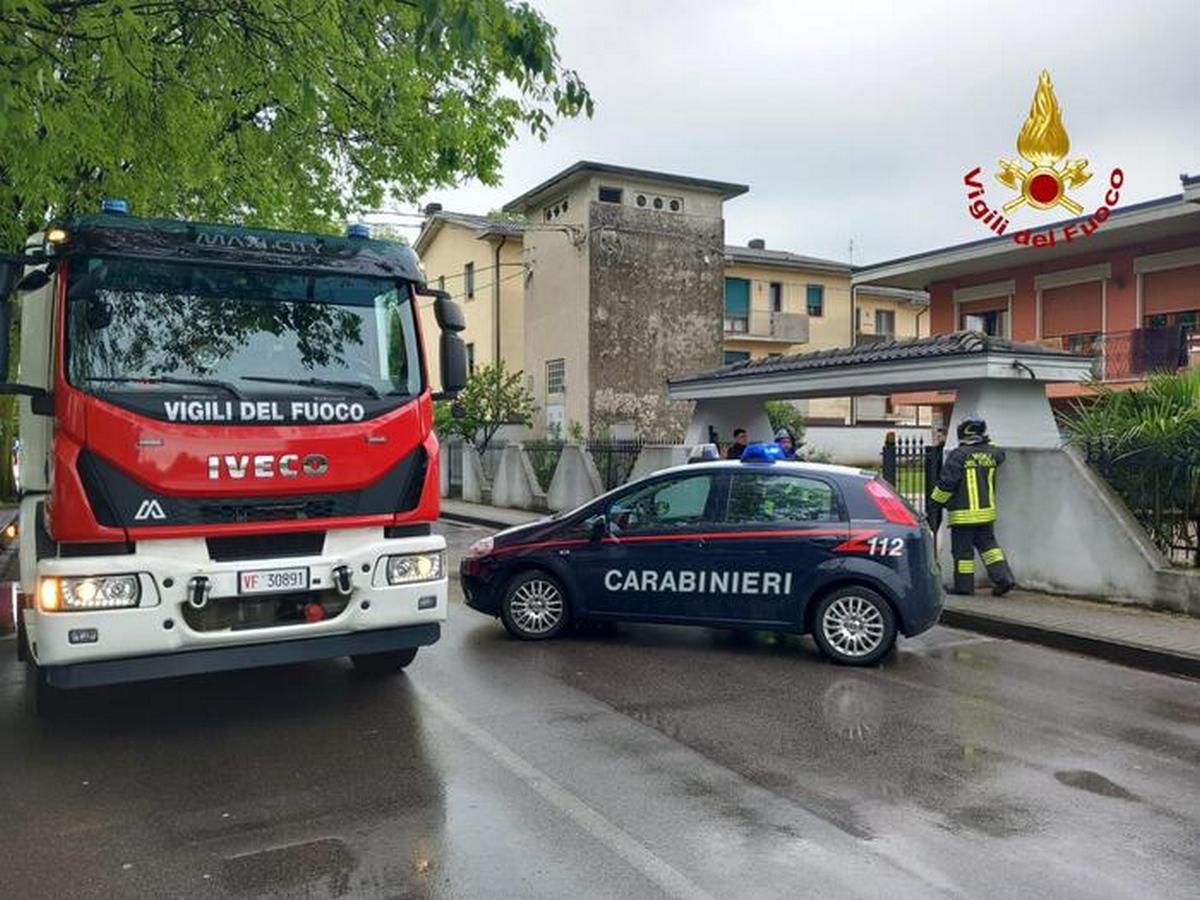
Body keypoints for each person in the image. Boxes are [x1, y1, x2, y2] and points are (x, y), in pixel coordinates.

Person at [929, 415, 1015, 597]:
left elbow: (946, 484)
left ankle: (964, 587)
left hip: (963, 515)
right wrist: (987, 441)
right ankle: (1004, 578)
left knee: (963, 554)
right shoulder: (993, 453)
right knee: (990, 548)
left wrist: (935, 502)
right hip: (986, 514)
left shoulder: (958, 455)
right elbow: (1000, 452)